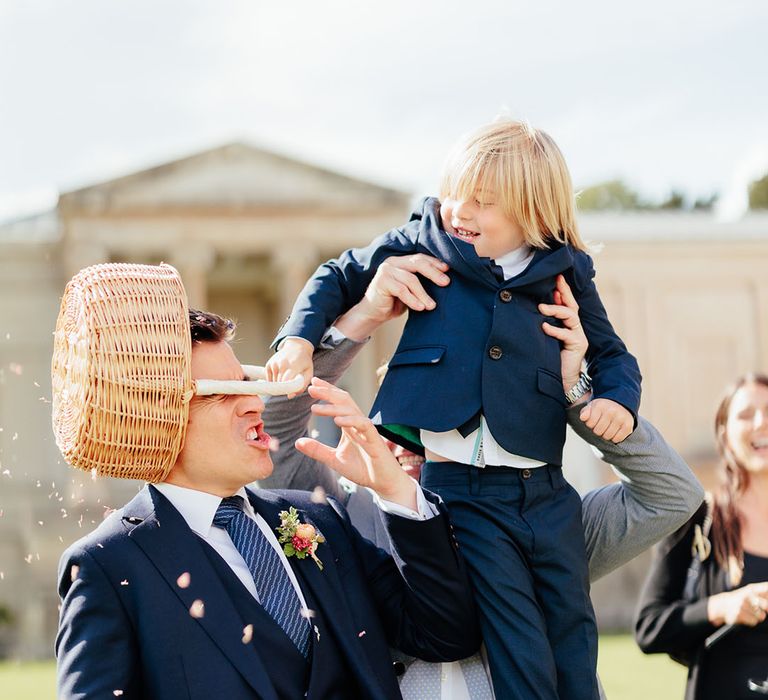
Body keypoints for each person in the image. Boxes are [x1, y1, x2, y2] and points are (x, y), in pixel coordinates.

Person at [265, 120, 642, 699]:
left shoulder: (567, 270)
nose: (459, 210)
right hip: (464, 490)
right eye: (453, 192)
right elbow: (336, 275)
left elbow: (611, 351)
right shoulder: (426, 238)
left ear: (534, 213)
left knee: (572, 629)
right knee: (517, 636)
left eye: (483, 202)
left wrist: (614, 398)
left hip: (546, 489)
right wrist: (296, 339)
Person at [261, 254, 703, 699]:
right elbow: (277, 429)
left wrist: (575, 391)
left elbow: (671, 494)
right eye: (394, 419)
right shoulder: (343, 513)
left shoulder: (548, 519)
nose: (409, 436)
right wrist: (362, 317)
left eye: (435, 422)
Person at [55, 304, 482, 699]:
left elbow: (446, 634)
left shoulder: (321, 519)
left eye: (246, 385)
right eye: (220, 393)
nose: (254, 403)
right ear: (157, 415)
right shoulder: (107, 566)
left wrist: (394, 491)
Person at [635, 374, 768, 700]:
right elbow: (649, 627)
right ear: (724, 432)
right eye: (746, 414)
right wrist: (722, 606)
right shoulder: (699, 518)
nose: (761, 422)